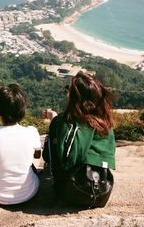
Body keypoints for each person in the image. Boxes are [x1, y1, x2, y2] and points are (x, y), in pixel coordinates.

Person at [42, 71, 116, 207]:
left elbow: (48, 156)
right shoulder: (106, 123)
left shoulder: (63, 121)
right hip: (103, 191)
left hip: (70, 190)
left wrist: (55, 122)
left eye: (69, 90)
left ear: (75, 97)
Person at [0, 84, 42, 205]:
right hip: (30, 194)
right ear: (22, 110)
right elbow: (37, 156)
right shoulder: (31, 132)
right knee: (30, 167)